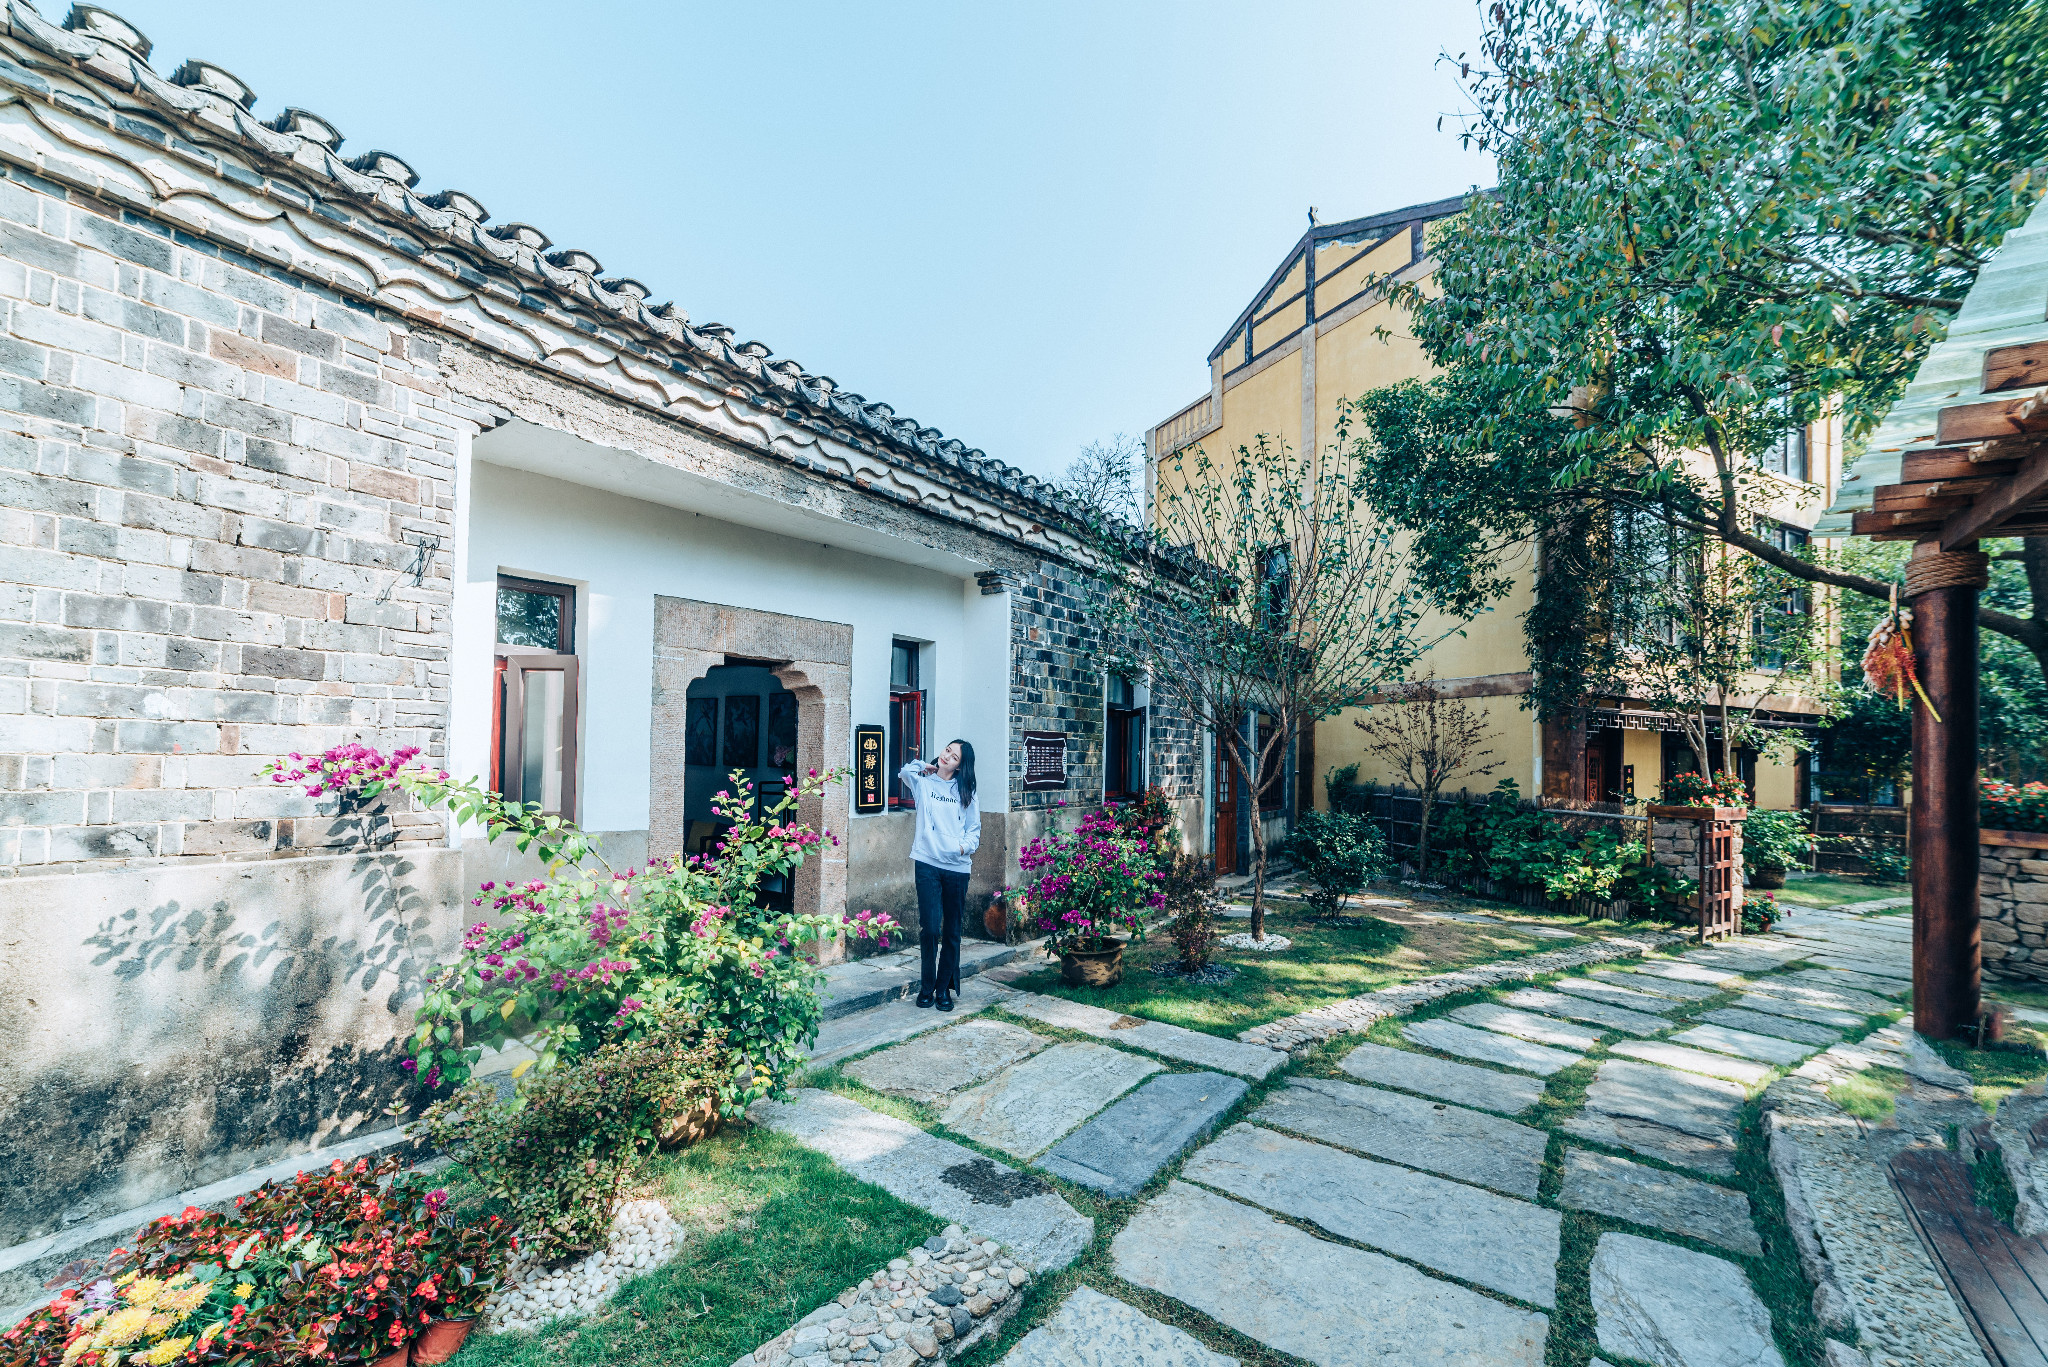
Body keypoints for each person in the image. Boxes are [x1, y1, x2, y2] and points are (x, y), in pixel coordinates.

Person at [898, 739, 980, 1010]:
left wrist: (960, 848)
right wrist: (926, 765)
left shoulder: (967, 790)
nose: (947, 756)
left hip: (957, 868)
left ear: (960, 766)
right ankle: (927, 987)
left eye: (954, 757)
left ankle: (943, 989)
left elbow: (974, 831)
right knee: (930, 929)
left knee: (952, 931)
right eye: (947, 750)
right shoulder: (924, 783)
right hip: (927, 863)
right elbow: (905, 772)